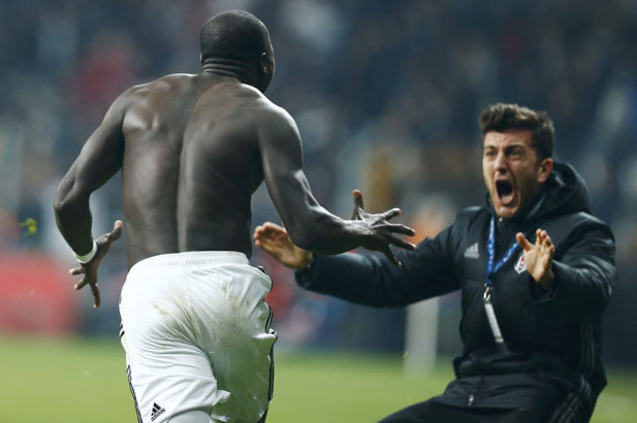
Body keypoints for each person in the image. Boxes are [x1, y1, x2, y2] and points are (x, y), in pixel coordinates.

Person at [53, 10, 415, 423]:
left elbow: (67, 200)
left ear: (204, 57)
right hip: (227, 288)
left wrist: (87, 253)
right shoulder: (266, 115)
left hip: (151, 290)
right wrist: (359, 229)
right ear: (265, 62)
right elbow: (307, 228)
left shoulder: (134, 102)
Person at [254, 103, 616, 422]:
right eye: (491, 153)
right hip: (473, 392)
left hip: (549, 389)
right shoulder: (470, 230)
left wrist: (552, 278)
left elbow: (596, 288)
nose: (499, 164)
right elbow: (391, 280)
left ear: (543, 169)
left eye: (514, 153)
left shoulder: (581, 231)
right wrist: (313, 263)